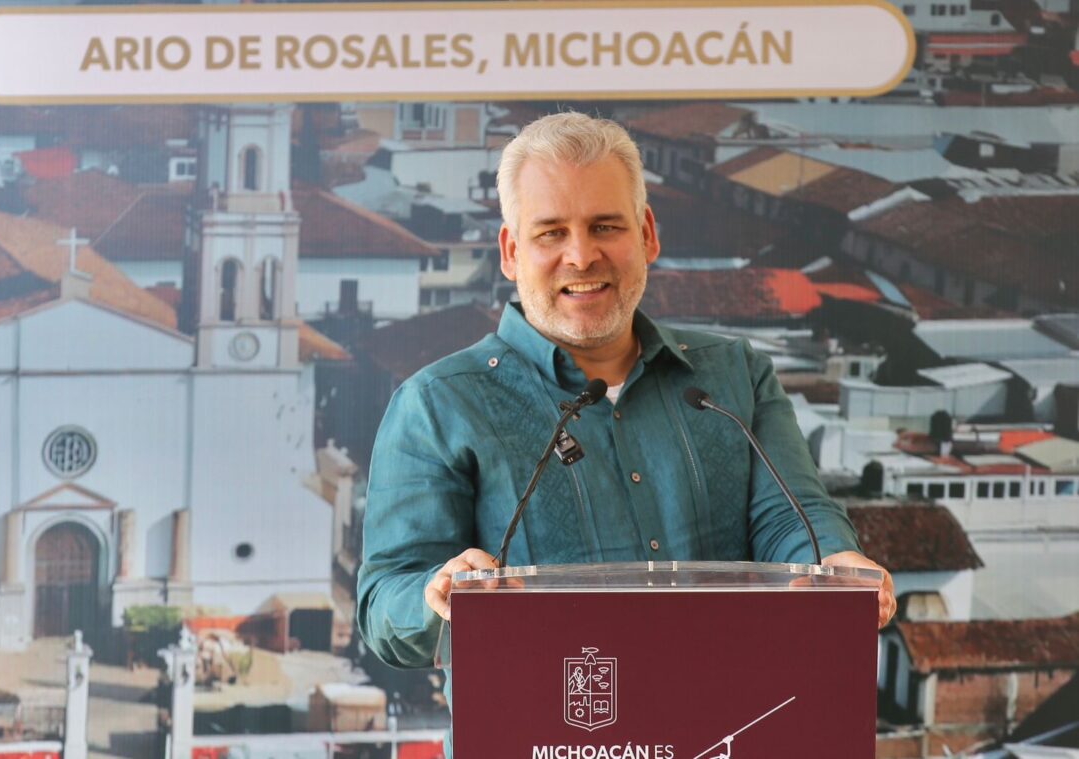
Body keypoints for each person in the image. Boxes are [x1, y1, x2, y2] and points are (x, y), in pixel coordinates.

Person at [356, 110, 896, 710]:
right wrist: (436, 593)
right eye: (551, 233)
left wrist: (834, 565)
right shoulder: (437, 403)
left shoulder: (735, 376)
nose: (581, 256)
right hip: (541, 739)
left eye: (605, 226)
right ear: (510, 252)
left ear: (647, 235)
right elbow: (383, 608)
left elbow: (791, 520)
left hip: (728, 726)